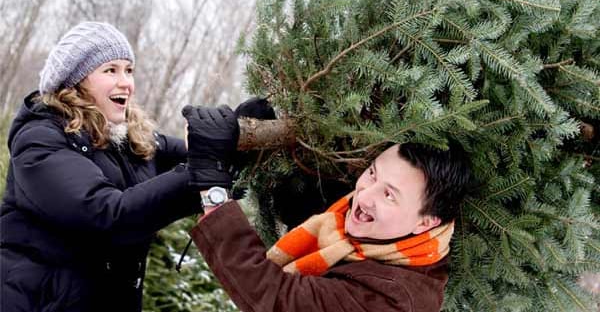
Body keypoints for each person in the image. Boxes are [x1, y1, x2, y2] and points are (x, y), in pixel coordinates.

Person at [0, 21, 234, 312]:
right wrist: (203, 168)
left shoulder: (129, 138)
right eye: (111, 70)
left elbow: (192, 154)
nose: (127, 82)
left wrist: (240, 131)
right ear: (75, 81)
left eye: (129, 70)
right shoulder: (39, 140)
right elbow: (107, 216)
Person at [182, 105, 472, 312]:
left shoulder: (395, 300)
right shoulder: (373, 230)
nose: (364, 195)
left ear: (426, 222)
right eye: (372, 173)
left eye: (389, 195)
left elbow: (276, 298)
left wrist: (212, 184)